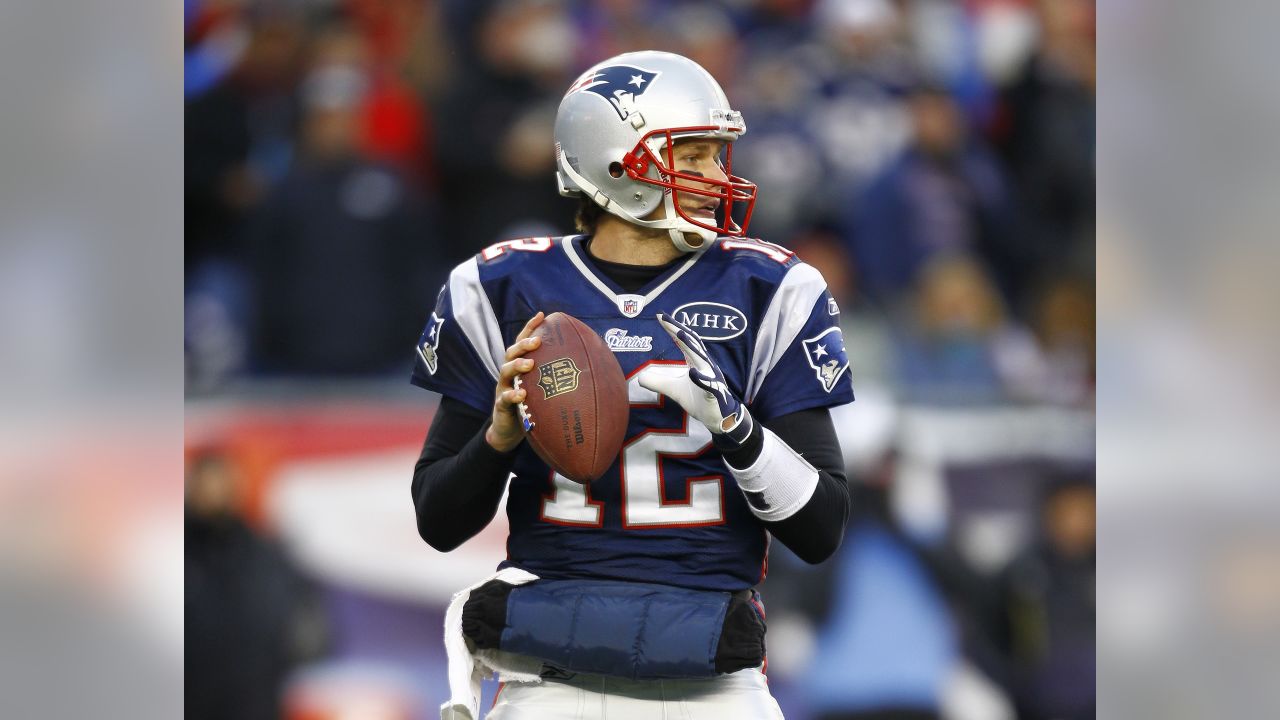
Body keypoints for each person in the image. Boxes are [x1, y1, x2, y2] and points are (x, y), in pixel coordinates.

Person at [410, 51, 856, 719]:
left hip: (715, 678)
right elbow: (438, 522)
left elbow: (820, 531)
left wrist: (739, 430)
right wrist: (498, 438)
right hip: (548, 676)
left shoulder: (770, 289)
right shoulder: (501, 286)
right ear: (617, 165)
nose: (718, 176)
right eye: (695, 156)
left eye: (716, 155)